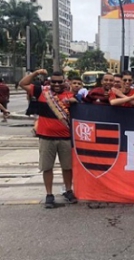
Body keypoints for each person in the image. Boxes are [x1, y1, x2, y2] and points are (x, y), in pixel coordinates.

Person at [18, 69, 78, 209]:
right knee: (47, 167)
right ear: (49, 82)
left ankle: (69, 191)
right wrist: (36, 73)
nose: (57, 84)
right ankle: (49, 194)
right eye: (54, 82)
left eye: (60, 81)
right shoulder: (41, 92)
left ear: (65, 82)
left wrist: (75, 101)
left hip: (65, 138)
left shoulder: (70, 95)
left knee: (67, 167)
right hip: (46, 138)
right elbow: (22, 83)